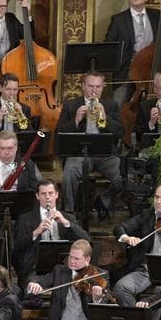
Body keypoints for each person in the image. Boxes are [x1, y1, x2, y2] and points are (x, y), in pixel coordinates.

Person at [57, 71, 124, 220]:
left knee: (122, 176)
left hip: (105, 154)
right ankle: (69, 213)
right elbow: (60, 133)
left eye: (98, 87)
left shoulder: (111, 105)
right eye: (91, 86)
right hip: (79, 153)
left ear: (103, 87)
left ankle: (103, 202)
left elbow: (120, 132)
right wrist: (75, 120)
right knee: (69, 173)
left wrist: (105, 118)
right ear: (83, 86)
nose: (94, 90)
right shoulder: (71, 105)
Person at [13, 179, 89, 287]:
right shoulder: (25, 219)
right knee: (31, 288)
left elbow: (86, 239)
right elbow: (17, 247)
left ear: (57, 195)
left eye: (50, 193)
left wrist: (66, 223)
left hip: (65, 266)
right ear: (37, 196)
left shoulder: (68, 217)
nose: (47, 197)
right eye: (43, 194)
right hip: (35, 269)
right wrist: (36, 232)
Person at [0, 73, 34, 155]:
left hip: (18, 153)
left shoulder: (25, 109)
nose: (12, 93)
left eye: (15, 89)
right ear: (0, 88)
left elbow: (30, 137)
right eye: (8, 89)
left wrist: (21, 115)